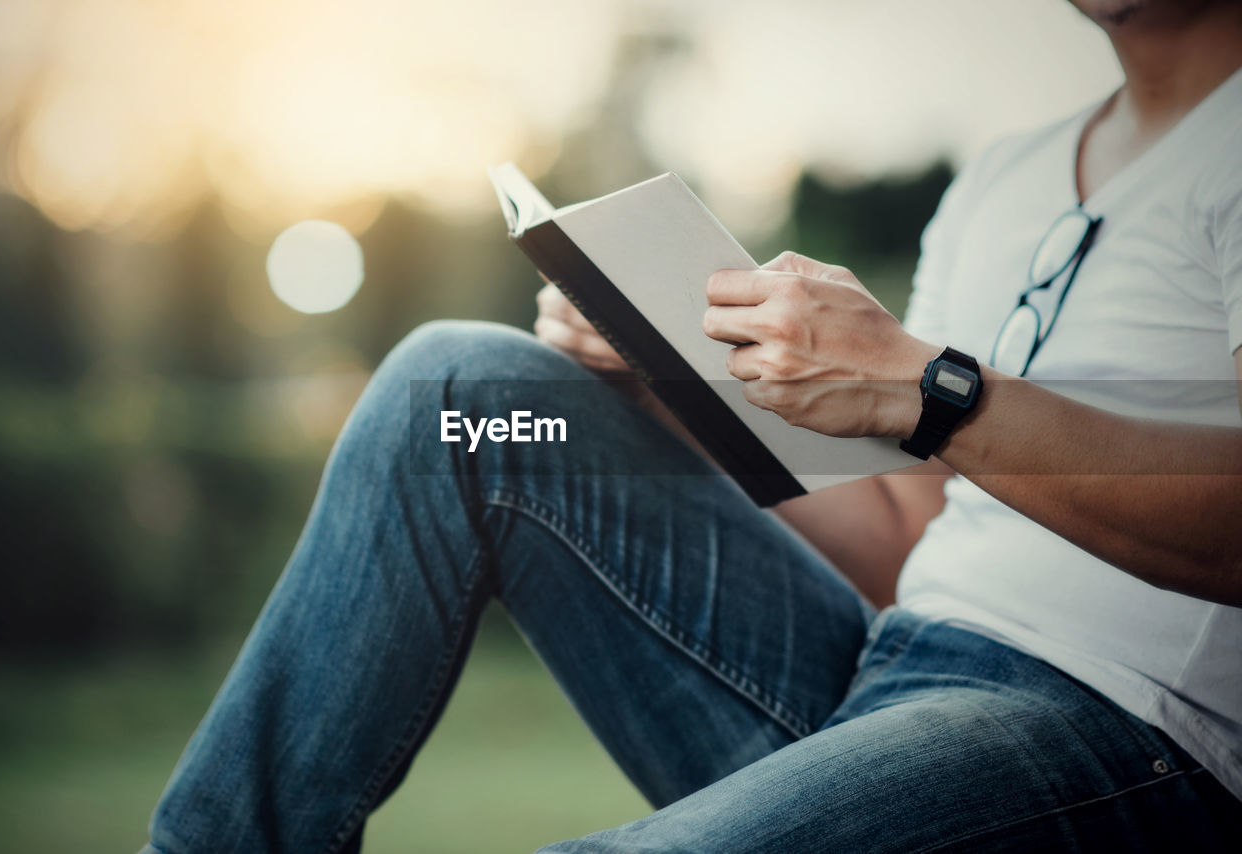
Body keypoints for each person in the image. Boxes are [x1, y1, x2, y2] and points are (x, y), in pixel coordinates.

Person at [143, 1, 1242, 851]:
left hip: (1129, 737)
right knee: (461, 387)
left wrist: (925, 386)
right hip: (885, 674)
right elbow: (910, 541)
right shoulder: (1003, 177)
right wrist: (673, 379)